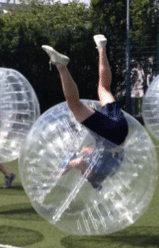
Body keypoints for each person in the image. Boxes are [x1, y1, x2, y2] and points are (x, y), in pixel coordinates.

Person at [42, 35, 129, 190]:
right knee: (74, 105)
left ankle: (101, 47)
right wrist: (61, 171)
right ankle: (61, 66)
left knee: (104, 88)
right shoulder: (94, 175)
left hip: (121, 129)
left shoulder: (107, 170)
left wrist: (82, 152)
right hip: (111, 135)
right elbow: (79, 163)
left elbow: (90, 151)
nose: (83, 175)